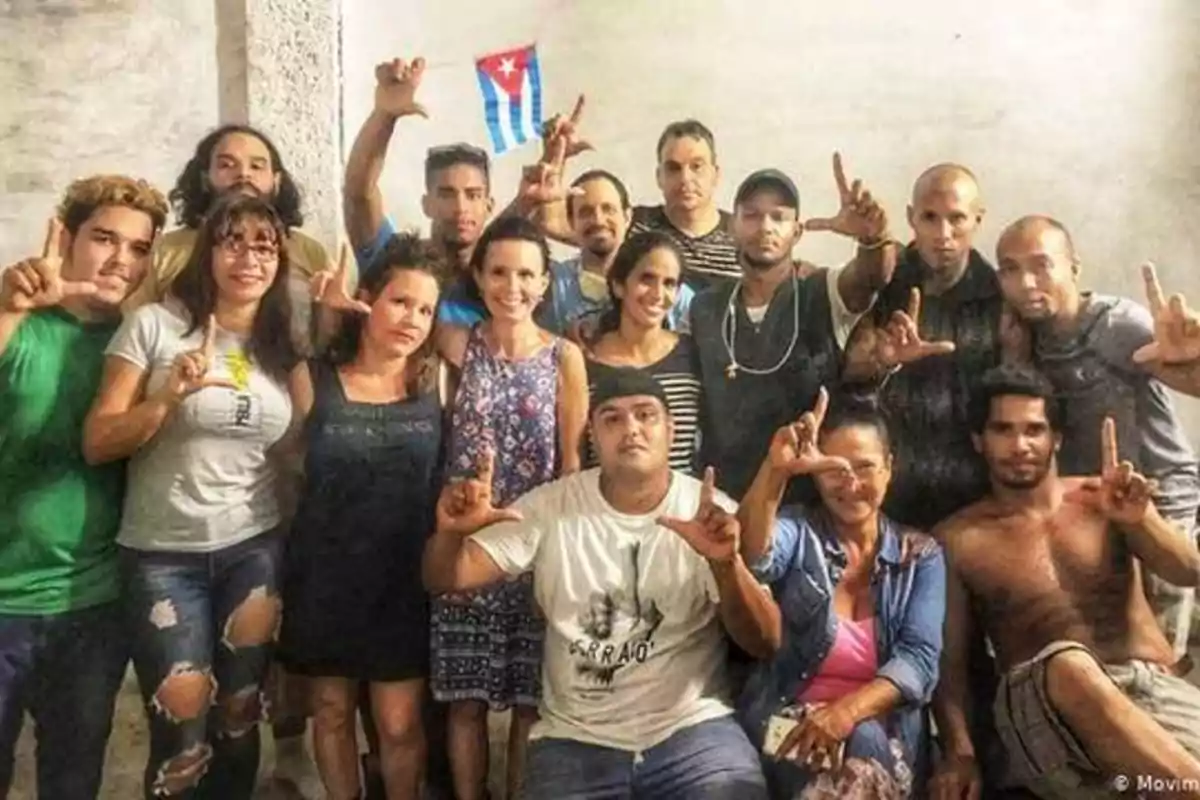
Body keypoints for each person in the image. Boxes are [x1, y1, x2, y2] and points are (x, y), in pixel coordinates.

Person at [423, 369, 777, 799]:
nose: (630, 429)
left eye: (645, 415)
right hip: (576, 739)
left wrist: (726, 564)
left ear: (671, 430)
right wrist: (450, 534)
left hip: (692, 730)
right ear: (592, 435)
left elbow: (765, 641)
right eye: (612, 418)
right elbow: (444, 578)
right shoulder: (551, 506)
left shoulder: (708, 512)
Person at [83, 194, 298, 799]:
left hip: (253, 551)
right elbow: (99, 440)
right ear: (207, 252)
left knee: (238, 715)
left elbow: (299, 450)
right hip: (162, 558)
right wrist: (167, 398)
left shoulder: (282, 346)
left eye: (264, 244)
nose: (248, 257)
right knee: (181, 728)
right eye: (233, 241)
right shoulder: (154, 325)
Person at [931, 365, 1200, 800]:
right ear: (979, 441)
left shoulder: (1107, 498)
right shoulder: (958, 539)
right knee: (1068, 663)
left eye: (1034, 430)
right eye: (1003, 430)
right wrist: (959, 752)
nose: (1020, 445)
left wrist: (1141, 522)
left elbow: (1189, 571)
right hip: (1046, 710)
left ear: (1055, 438)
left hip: (1152, 693)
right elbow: (951, 662)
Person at [0, 176, 168, 800]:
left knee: (73, 781)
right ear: (66, 238)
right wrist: (10, 307)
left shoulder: (143, 344)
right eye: (103, 238)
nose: (121, 259)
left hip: (93, 607)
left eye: (138, 247)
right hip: (3, 603)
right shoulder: (17, 324)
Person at [277, 233, 444, 800]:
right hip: (324, 575)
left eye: (426, 309)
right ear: (367, 298)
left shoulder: (438, 378)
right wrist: (322, 325)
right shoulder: (315, 378)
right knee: (330, 710)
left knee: (399, 723)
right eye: (400, 302)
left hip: (403, 580)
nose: (412, 319)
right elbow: (283, 463)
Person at [430, 215, 588, 800]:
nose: (512, 286)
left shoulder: (564, 358)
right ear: (478, 276)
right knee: (463, 700)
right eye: (499, 271)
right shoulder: (455, 344)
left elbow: (570, 464)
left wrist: (561, 556)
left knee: (529, 703)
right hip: (467, 540)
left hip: (533, 545)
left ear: (546, 283)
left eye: (526, 273)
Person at [995, 215, 1200, 663]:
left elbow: (1189, 378)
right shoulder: (1025, 338)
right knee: (1109, 658)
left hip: (1158, 502)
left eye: (1041, 265)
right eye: (1010, 269)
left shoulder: (1116, 323)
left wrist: (1191, 355)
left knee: (1158, 660)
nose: (1026, 282)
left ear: (1074, 267)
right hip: (1094, 509)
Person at [738, 390, 945, 798]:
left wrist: (844, 714)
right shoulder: (799, 533)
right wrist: (775, 471)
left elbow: (919, 663)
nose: (850, 484)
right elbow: (751, 553)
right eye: (835, 468)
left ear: (889, 469)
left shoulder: (920, 555)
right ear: (814, 474)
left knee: (864, 740)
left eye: (865, 467)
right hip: (788, 720)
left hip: (886, 733)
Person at [690, 159, 895, 504]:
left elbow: (869, 278)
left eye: (779, 216)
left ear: (796, 231)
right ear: (731, 227)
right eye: (752, 215)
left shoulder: (822, 291)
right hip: (723, 499)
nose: (765, 226)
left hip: (808, 507)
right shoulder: (705, 307)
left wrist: (873, 238)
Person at [842, 163, 1018, 532]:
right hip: (886, 500)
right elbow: (848, 378)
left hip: (975, 503)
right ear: (911, 217)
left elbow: (1018, 400)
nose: (943, 234)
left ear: (978, 219)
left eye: (957, 218)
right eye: (929, 218)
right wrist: (883, 363)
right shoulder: (883, 285)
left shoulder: (1002, 296)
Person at [128, 123, 331, 353]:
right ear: (205, 178)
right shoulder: (167, 250)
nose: (244, 174)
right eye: (227, 165)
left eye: (256, 166)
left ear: (277, 181)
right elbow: (133, 334)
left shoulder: (309, 252)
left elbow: (326, 340)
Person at [344, 56, 495, 325]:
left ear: (489, 205)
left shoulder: (504, 285)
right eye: (447, 194)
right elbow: (359, 193)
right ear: (426, 204)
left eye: (473, 195)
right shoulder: (394, 260)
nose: (461, 207)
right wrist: (384, 116)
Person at [585, 231, 703, 474]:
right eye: (646, 279)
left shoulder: (694, 353)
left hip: (680, 506)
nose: (658, 293)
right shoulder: (584, 359)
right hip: (605, 506)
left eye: (669, 283)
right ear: (618, 285)